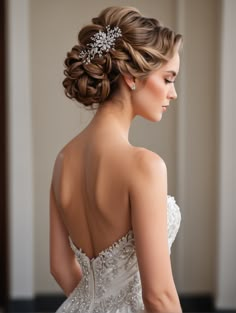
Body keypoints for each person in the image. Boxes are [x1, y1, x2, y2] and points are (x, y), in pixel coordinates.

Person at [50, 6, 183, 313]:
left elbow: (59, 266)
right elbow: (159, 295)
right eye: (168, 79)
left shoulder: (62, 160)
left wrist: (99, 304)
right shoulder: (145, 166)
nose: (173, 93)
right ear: (132, 77)